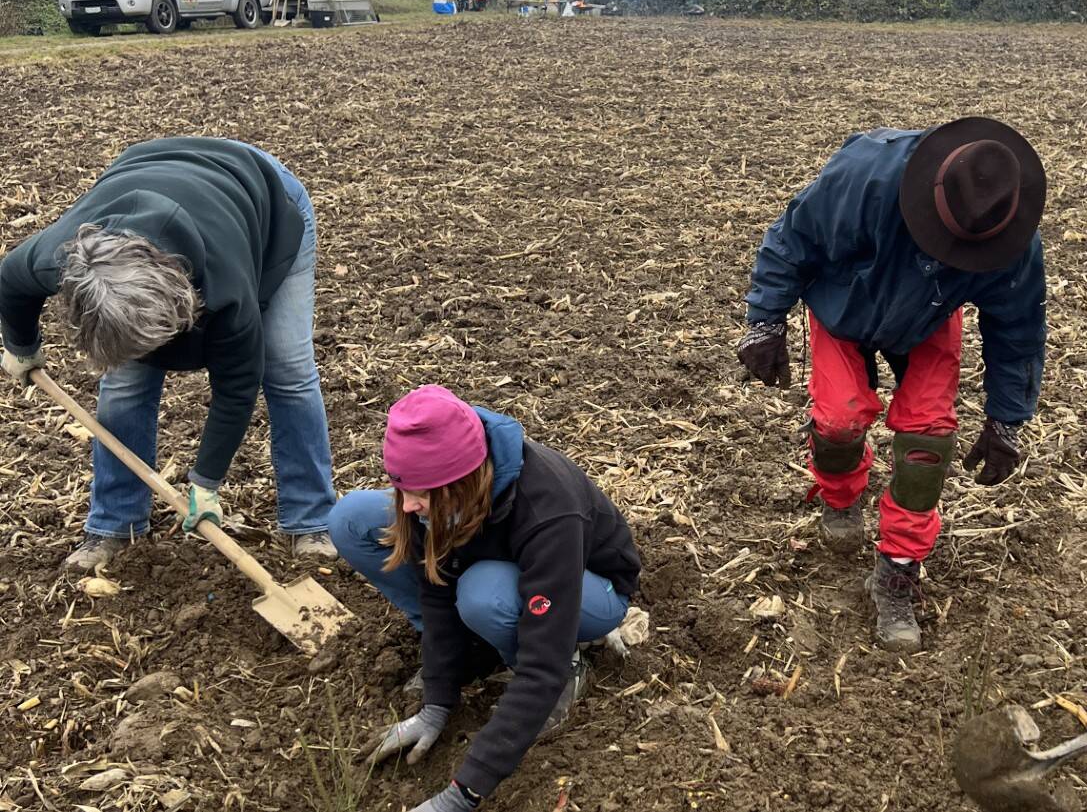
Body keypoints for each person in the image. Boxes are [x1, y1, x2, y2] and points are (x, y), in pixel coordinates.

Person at [737, 117, 1048, 652]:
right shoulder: (864, 177)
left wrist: (1006, 419)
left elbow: (1017, 329)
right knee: (839, 421)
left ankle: (896, 572)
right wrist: (765, 320)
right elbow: (792, 238)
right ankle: (840, 497)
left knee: (928, 441)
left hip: (929, 317)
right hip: (842, 304)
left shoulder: (1010, 237)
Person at [0, 138, 337, 571]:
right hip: (151, 176)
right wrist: (22, 348)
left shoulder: (227, 292)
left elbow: (237, 388)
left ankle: (311, 521)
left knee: (287, 368)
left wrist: (206, 482)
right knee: (124, 382)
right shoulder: (63, 257)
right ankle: (114, 525)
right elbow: (10, 280)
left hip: (267, 200)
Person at [329, 385, 641, 812]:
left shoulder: (547, 507)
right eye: (402, 488)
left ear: (461, 482)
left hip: (592, 590)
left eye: (419, 492)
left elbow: (539, 669)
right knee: (352, 517)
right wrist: (436, 704)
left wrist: (462, 794)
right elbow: (435, 588)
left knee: (484, 593)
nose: (406, 505)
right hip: (499, 563)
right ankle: (473, 649)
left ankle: (570, 664)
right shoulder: (441, 496)